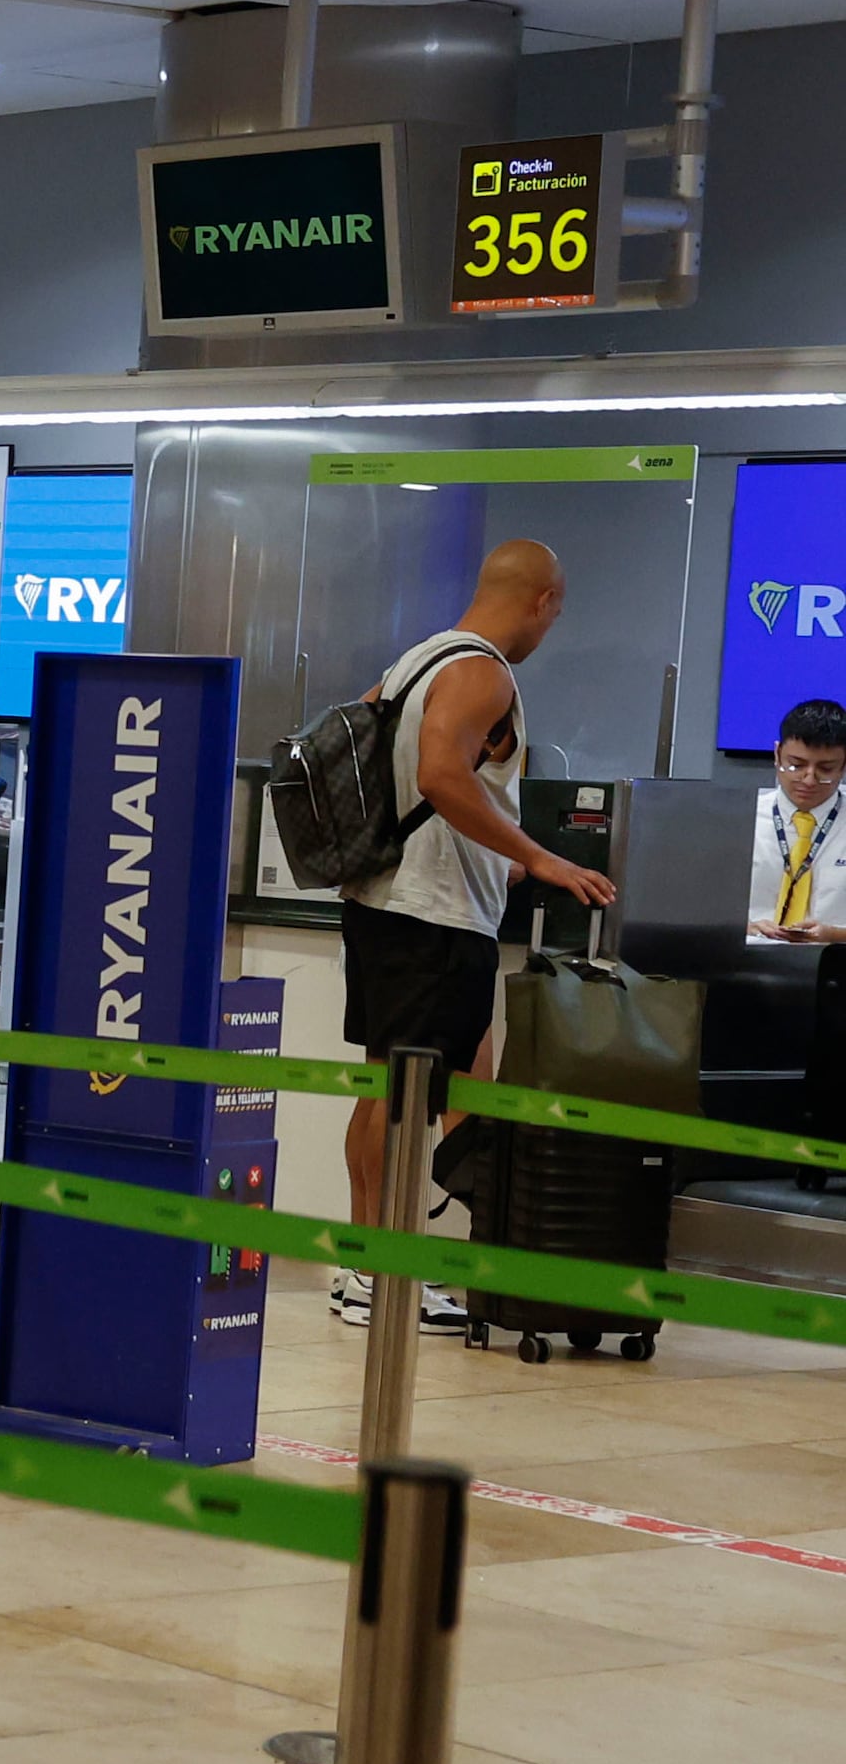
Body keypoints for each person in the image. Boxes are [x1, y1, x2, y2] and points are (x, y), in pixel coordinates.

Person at [331, 537, 611, 1325]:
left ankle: (367, 1269)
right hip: (431, 919)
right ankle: (384, 1279)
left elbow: (396, 772)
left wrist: (497, 857)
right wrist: (538, 856)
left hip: (390, 903)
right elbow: (438, 775)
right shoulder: (485, 669)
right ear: (544, 601)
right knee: (403, 1098)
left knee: (388, 1085)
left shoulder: (417, 659)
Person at [752, 698, 846, 940]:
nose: (808, 780)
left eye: (825, 769)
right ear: (777, 754)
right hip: (746, 963)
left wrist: (835, 935)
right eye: (795, 765)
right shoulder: (740, 817)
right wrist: (746, 927)